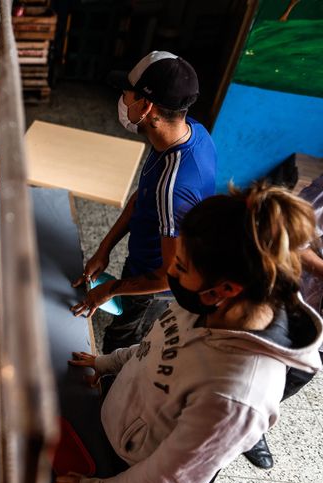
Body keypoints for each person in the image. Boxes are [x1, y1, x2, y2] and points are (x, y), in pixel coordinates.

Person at [56, 183, 323, 483]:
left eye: (181, 266)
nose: (170, 270)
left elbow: (166, 482)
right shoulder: (206, 303)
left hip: (133, 474)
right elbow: (159, 346)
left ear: (227, 289)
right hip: (120, 431)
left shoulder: (236, 396)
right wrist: (108, 362)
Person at [71, 51, 217, 355]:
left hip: (155, 284)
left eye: (127, 93)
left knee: (122, 345)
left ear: (146, 106)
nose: (123, 99)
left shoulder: (174, 187)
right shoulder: (190, 134)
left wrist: (109, 290)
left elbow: (169, 277)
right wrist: (104, 249)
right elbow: (142, 198)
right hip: (145, 260)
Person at [242, 155, 323, 469]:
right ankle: (229, 423)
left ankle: (254, 426)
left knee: (294, 379)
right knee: (252, 371)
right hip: (293, 306)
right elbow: (285, 238)